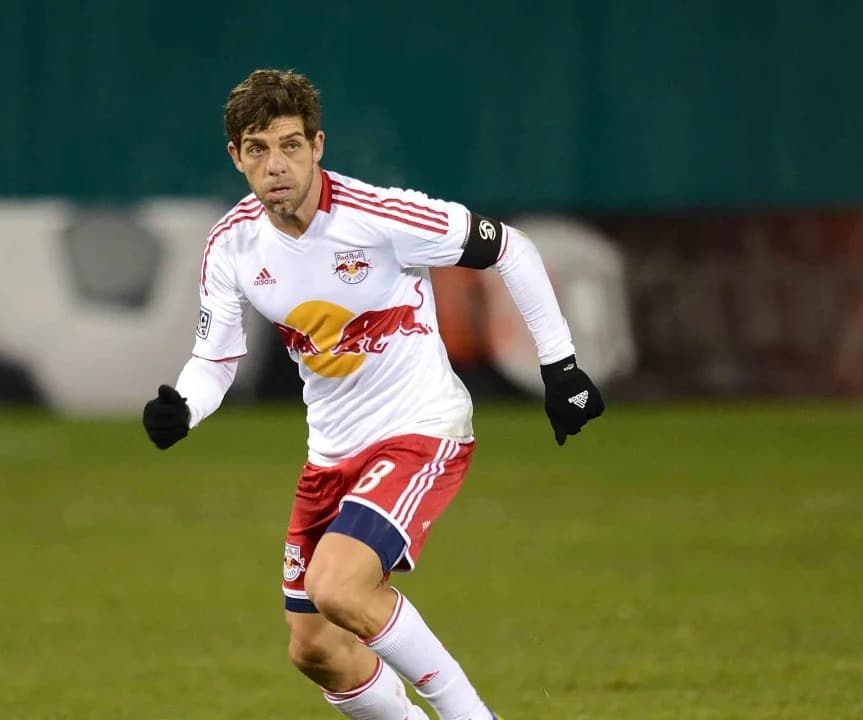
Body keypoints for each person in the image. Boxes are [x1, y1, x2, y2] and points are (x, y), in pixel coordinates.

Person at [142, 69, 604, 720]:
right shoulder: (232, 245)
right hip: (332, 455)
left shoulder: (378, 217)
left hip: (421, 431)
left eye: (290, 144)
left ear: (318, 145)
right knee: (315, 650)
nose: (276, 165)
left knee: (338, 587)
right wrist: (183, 405)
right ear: (235, 157)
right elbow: (215, 359)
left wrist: (560, 368)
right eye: (257, 149)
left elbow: (512, 249)